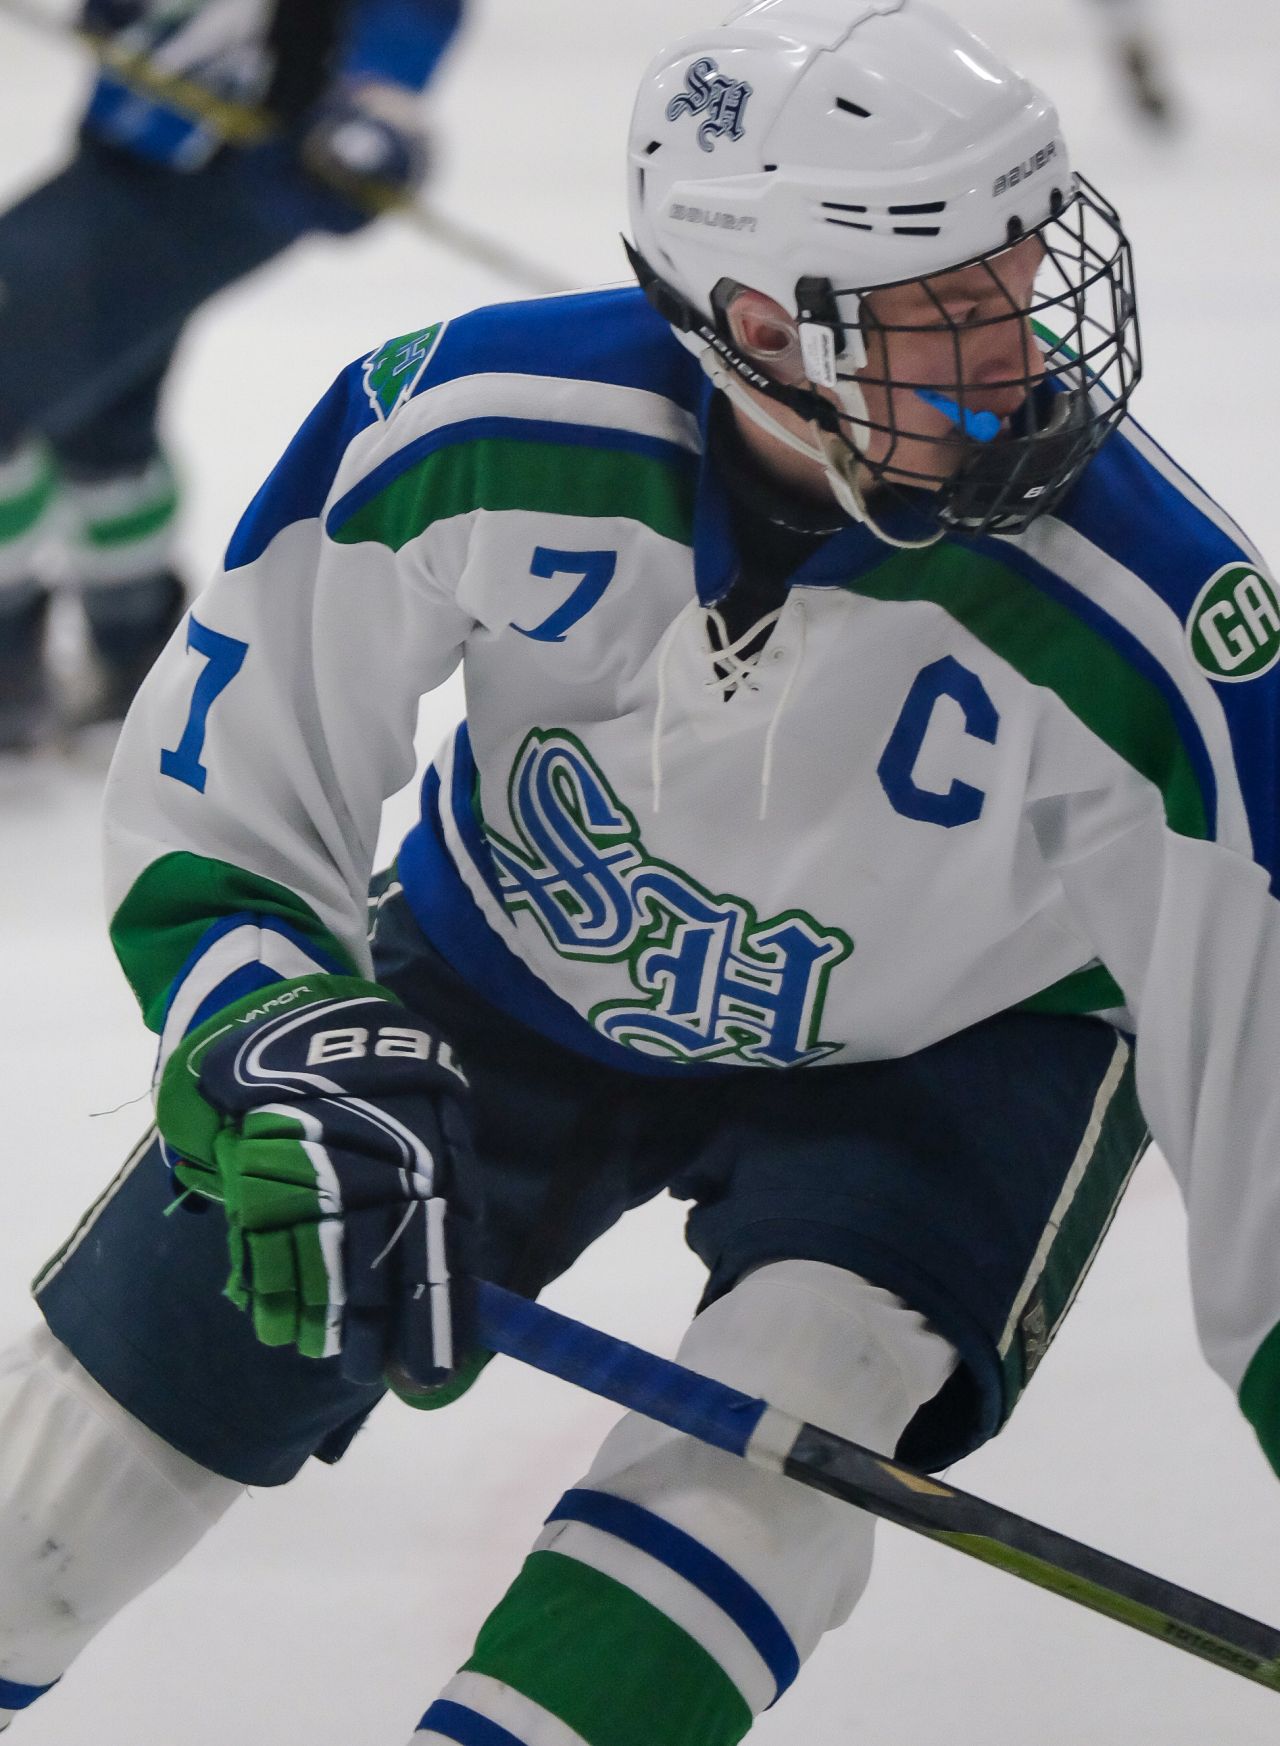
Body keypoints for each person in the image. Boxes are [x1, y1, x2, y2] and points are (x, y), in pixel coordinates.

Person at [2, 0, 1277, 1739]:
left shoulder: (1165, 626)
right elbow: (235, 781)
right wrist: (271, 1026)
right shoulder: (468, 425)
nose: (1024, 349)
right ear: (762, 326)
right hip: (506, 962)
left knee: (789, 1414)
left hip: (962, 1054)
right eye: (945, 307)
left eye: (1024, 269)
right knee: (62, 1474)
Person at [0, 0, 465, 750]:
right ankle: (128, 653)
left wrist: (377, 102)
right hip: (136, 141)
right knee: (100, 427)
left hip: (238, 168)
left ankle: (14, 666)